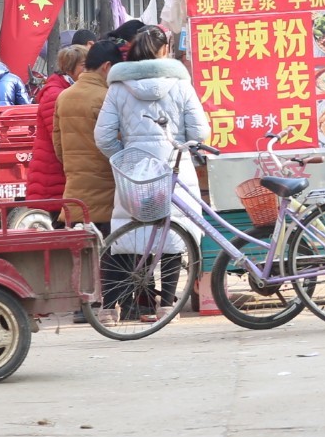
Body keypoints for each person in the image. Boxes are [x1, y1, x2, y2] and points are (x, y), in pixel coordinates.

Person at [94, 27, 208, 315]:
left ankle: (126, 308)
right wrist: (185, 147)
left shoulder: (118, 87)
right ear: (164, 51)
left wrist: (125, 158)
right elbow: (199, 131)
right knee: (174, 233)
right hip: (175, 167)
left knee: (133, 234)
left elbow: (104, 136)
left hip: (134, 172)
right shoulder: (181, 85)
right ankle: (166, 307)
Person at [55, 39, 122, 231]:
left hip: (75, 195)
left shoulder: (64, 96)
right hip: (107, 194)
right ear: (107, 66)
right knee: (109, 254)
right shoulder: (107, 97)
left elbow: (58, 147)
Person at [25, 43, 86, 210]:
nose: (88, 70)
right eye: (83, 65)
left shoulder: (66, 90)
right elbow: (60, 139)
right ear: (69, 68)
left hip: (57, 179)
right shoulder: (55, 94)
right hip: (51, 180)